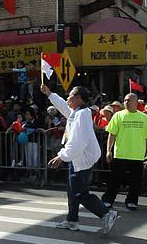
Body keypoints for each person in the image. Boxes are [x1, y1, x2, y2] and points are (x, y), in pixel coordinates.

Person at [40, 84, 117, 234]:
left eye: (70, 95)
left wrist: (61, 156)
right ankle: (72, 220)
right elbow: (63, 106)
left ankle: (106, 213)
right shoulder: (77, 113)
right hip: (77, 158)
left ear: (78, 98)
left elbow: (77, 141)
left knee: (79, 193)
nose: (67, 97)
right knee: (72, 191)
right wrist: (49, 94)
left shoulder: (81, 115)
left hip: (81, 159)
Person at [101, 93, 147, 210]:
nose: (126, 102)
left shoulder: (144, 118)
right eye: (125, 100)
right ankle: (108, 199)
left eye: (129, 100)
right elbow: (112, 134)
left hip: (137, 156)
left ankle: (132, 201)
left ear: (136, 103)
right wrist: (108, 151)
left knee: (135, 181)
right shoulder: (118, 116)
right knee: (115, 179)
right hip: (120, 154)